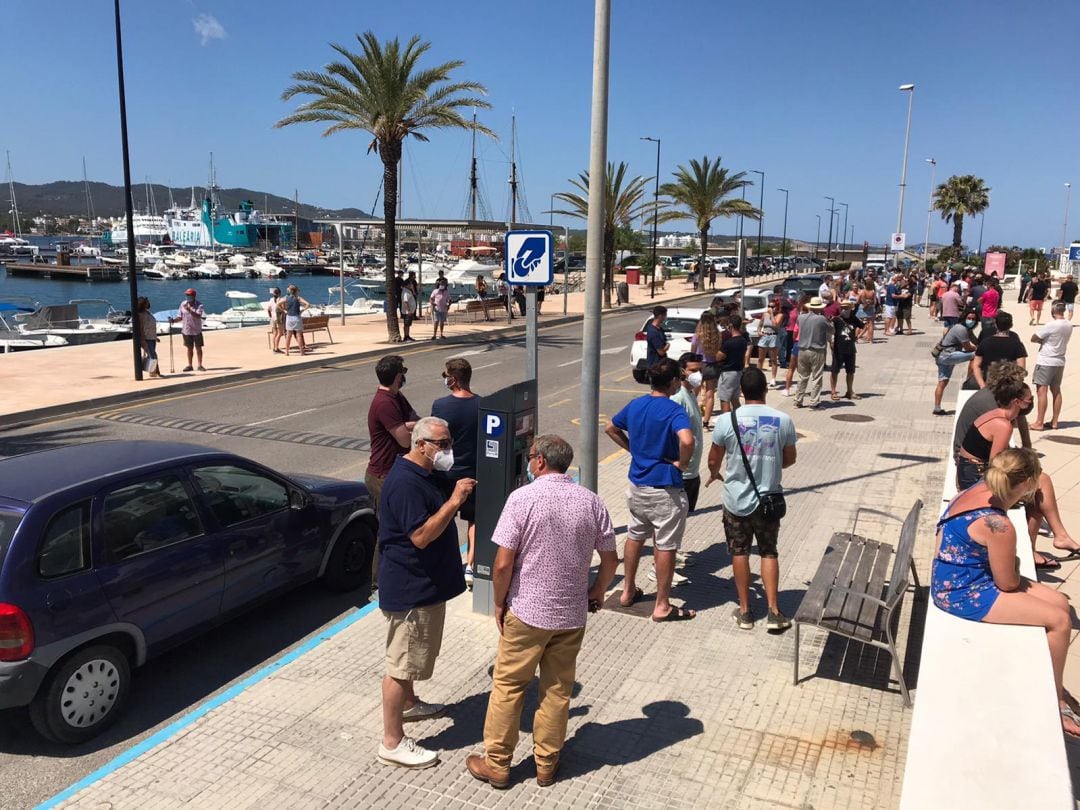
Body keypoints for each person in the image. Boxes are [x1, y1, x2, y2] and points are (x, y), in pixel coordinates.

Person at [466, 435, 618, 790]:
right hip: (570, 613)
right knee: (557, 690)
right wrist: (597, 591)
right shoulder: (591, 502)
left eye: (530, 458)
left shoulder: (523, 499)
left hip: (527, 611)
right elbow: (610, 559)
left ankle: (498, 763)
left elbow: (503, 563)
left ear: (538, 462)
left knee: (508, 686)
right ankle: (546, 764)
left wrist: (499, 602)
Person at [931, 448, 1080, 741]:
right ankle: (1055, 699)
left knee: (1061, 602)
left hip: (957, 574)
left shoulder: (977, 490)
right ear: (1026, 484)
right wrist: (1011, 563)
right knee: (1059, 621)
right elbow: (1008, 583)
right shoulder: (999, 526)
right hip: (961, 591)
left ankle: (1052, 675)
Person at [377, 417, 474, 769]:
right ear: (421, 445)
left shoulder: (425, 474)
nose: (448, 449)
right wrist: (455, 501)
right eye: (442, 443)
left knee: (414, 657)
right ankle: (392, 741)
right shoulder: (405, 484)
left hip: (427, 585)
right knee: (400, 664)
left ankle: (409, 703)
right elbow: (420, 536)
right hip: (410, 590)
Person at [604, 358, 696, 622]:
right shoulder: (673, 410)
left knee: (635, 535)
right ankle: (662, 605)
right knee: (665, 545)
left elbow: (611, 427)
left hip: (637, 485)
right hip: (664, 489)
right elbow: (687, 439)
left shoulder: (636, 405)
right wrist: (683, 462)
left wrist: (632, 449)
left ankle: (627, 590)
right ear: (674, 383)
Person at [707, 367, 797, 631]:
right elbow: (790, 459)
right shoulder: (783, 420)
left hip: (736, 500)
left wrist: (715, 473)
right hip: (769, 499)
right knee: (769, 552)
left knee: (739, 551)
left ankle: (745, 611)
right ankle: (774, 611)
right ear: (765, 390)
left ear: (742, 392)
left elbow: (714, 458)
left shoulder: (726, 421)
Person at [431, 358, 480, 589]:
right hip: (473, 473)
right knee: (475, 521)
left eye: (445, 376)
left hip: (446, 474)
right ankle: (471, 566)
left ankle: (444, 564)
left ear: (454, 379)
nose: (445, 380)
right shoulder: (483, 404)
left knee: (444, 518)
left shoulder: (440, 406)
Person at [365, 355, 420, 514]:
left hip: (395, 471)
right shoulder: (384, 403)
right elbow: (404, 440)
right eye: (403, 372)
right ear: (397, 376)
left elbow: (414, 419)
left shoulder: (396, 396)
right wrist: (411, 427)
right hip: (383, 476)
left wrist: (411, 425)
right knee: (390, 527)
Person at [1030, 301, 1072, 431]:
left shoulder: (1051, 325)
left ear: (1054, 310)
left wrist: (1043, 340)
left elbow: (1034, 337)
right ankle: (1054, 421)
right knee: (1056, 391)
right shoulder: (1068, 325)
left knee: (1041, 391)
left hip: (1046, 360)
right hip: (1059, 360)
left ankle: (1039, 422)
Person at [671, 353, 705, 513]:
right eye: (693, 370)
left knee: (685, 518)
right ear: (682, 372)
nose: (698, 374)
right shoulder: (678, 398)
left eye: (700, 370)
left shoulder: (691, 394)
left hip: (692, 472)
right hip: (682, 475)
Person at [965, 311, 1027, 390]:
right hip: (1008, 385)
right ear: (1011, 325)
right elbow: (1021, 368)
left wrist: (982, 385)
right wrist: (1016, 386)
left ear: (996, 324)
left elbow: (976, 365)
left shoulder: (985, 342)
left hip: (989, 382)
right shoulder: (1017, 344)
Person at [933, 310, 979, 415]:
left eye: (973, 319)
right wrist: (978, 348)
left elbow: (975, 341)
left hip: (942, 356)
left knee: (942, 382)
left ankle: (937, 408)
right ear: (964, 318)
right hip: (948, 356)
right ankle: (969, 381)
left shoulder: (966, 329)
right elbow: (968, 348)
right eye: (969, 318)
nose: (971, 321)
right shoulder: (961, 329)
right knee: (975, 356)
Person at [794, 296, 830, 409]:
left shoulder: (801, 317)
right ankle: (814, 402)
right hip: (816, 350)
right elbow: (831, 330)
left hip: (802, 349)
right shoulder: (822, 319)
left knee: (802, 377)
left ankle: (798, 401)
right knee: (817, 377)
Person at [690, 311, 721, 429]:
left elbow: (692, 351)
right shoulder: (717, 335)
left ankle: (692, 416)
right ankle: (706, 422)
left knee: (693, 393)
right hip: (712, 366)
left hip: (699, 365)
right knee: (710, 395)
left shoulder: (697, 335)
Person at [829, 299, 863, 401]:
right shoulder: (836, 320)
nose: (844, 310)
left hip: (850, 349)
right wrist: (831, 342)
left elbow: (863, 326)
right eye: (843, 308)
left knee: (850, 371)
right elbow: (830, 332)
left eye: (846, 308)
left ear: (850, 308)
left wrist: (857, 336)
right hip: (838, 349)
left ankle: (849, 391)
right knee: (835, 371)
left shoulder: (854, 319)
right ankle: (833, 391)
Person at [715, 314, 749, 412]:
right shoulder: (743, 340)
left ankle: (727, 421)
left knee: (725, 400)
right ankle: (738, 419)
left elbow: (718, 357)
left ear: (730, 325)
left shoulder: (729, 343)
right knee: (735, 399)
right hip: (738, 372)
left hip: (728, 373)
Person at [278, 284, 311, 356]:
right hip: (297, 317)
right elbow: (308, 304)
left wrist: (284, 310)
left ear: (290, 291)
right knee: (298, 335)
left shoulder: (286, 298)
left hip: (289, 317)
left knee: (288, 335)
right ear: (296, 291)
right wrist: (302, 310)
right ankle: (301, 351)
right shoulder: (298, 298)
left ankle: (287, 352)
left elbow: (278, 304)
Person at [178, 287, 206, 372]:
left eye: (189, 295)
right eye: (186, 295)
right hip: (186, 330)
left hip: (196, 330)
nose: (187, 296)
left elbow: (198, 316)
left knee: (198, 348)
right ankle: (190, 365)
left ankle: (200, 365)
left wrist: (190, 310)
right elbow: (180, 316)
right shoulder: (183, 304)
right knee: (189, 348)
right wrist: (173, 320)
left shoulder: (199, 305)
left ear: (194, 296)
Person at [135, 296, 161, 378]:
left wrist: (155, 336)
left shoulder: (147, 312)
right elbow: (140, 328)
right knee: (152, 355)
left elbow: (151, 325)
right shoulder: (140, 315)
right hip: (146, 338)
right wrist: (142, 340)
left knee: (153, 355)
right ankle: (154, 372)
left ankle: (155, 372)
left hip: (152, 337)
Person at [266, 287, 286, 353]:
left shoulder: (271, 299)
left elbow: (268, 309)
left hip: (273, 318)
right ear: (280, 293)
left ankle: (274, 347)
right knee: (280, 333)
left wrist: (270, 316)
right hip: (279, 317)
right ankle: (276, 348)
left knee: (275, 334)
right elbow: (283, 308)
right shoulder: (281, 299)